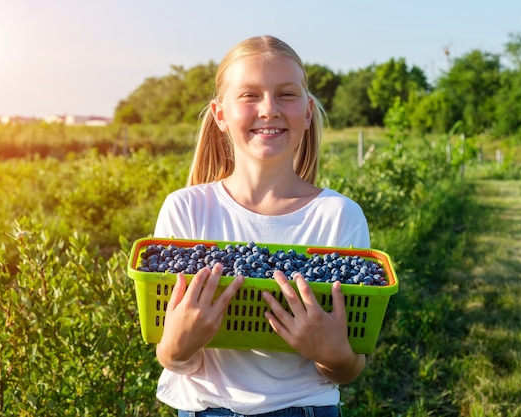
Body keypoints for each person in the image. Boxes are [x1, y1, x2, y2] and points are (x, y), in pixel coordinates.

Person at [153, 35, 370, 417]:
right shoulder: (187, 210)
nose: (268, 109)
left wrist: (330, 354)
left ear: (306, 111)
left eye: (286, 94)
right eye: (250, 95)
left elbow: (348, 367)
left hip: (303, 409)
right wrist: (176, 347)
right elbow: (172, 356)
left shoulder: (338, 216)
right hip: (204, 409)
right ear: (220, 114)